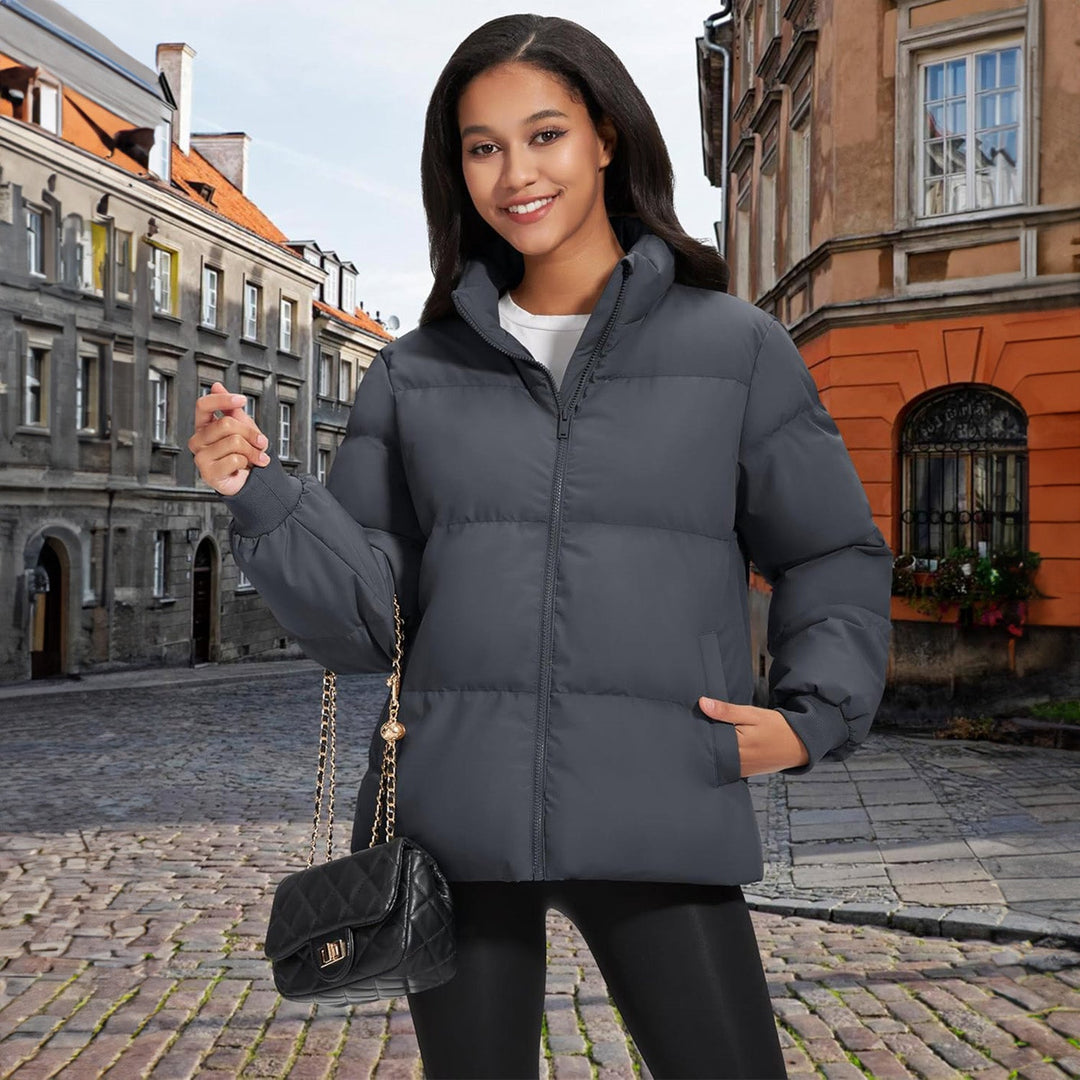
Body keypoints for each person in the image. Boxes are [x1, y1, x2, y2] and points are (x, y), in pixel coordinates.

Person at [188, 13, 893, 1079]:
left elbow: (831, 550)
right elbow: (369, 625)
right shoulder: (413, 373)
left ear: (606, 137)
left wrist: (812, 716)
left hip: (662, 793)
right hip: (453, 820)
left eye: (545, 134)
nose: (515, 172)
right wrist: (266, 498)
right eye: (482, 146)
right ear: (456, 168)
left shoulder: (733, 347)